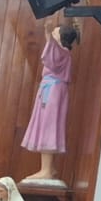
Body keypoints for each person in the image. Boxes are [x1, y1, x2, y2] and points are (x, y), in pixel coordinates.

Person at [21, 24, 78, 184]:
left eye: (55, 33)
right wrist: (49, 36)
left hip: (53, 92)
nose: (52, 34)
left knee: (48, 127)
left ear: (61, 38)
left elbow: (53, 51)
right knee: (46, 125)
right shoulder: (61, 52)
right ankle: (49, 168)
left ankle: (46, 170)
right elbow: (52, 50)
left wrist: (48, 34)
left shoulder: (63, 52)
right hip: (50, 90)